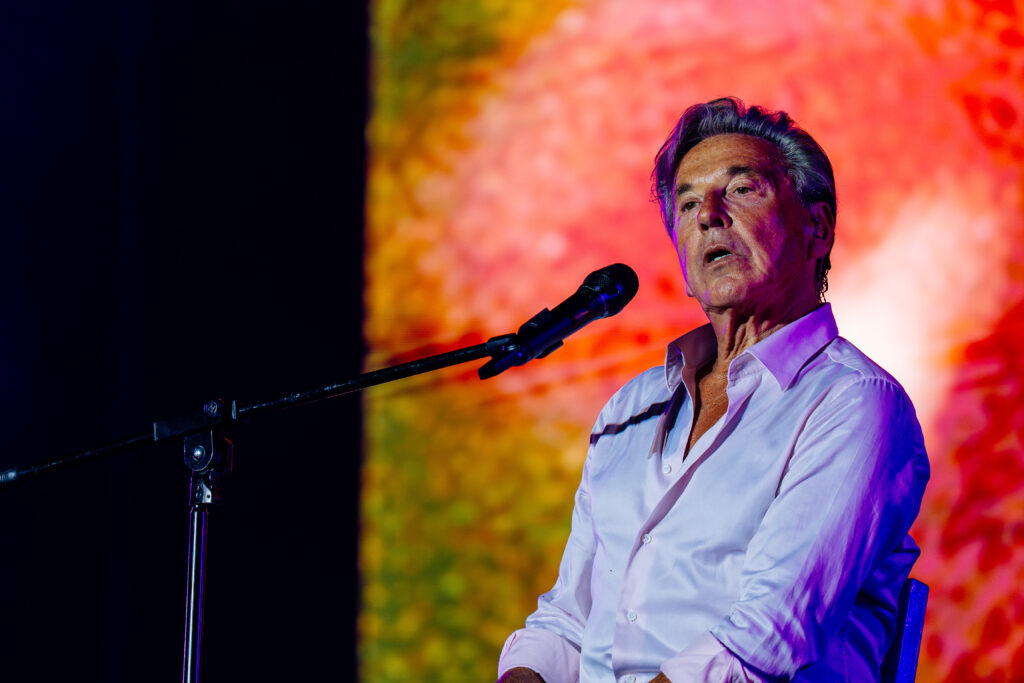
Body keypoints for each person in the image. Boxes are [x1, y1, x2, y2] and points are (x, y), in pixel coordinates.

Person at [496, 98, 930, 682]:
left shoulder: (854, 402)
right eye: (688, 203)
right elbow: (569, 622)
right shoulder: (633, 408)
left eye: (742, 189)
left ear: (818, 228)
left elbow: (766, 636)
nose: (708, 216)